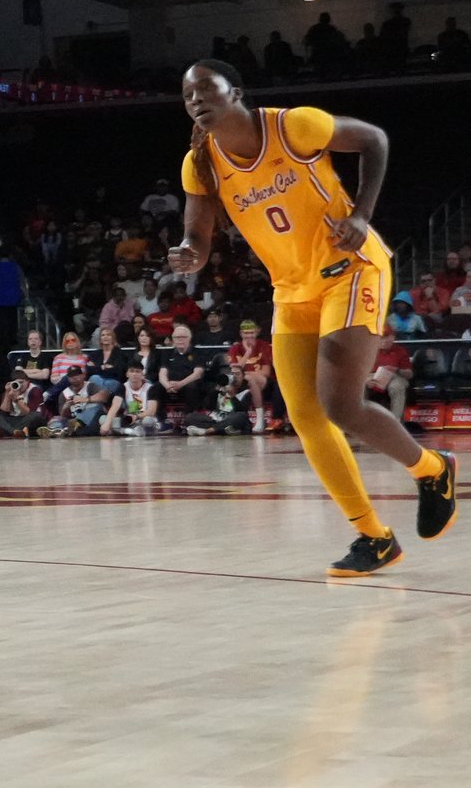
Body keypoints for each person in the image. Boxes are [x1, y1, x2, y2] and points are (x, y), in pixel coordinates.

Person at [169, 59, 455, 574]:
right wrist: (190, 253)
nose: (196, 101)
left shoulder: (293, 126)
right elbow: (198, 235)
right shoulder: (201, 162)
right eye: (188, 95)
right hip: (292, 289)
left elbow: (374, 140)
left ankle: (431, 469)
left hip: (352, 269)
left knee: (339, 405)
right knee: (304, 416)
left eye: (206, 89)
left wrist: (361, 215)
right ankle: (375, 535)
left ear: (236, 92)